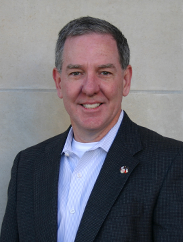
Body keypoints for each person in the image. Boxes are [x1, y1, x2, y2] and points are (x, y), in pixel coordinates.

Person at [0, 16, 183, 242]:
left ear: (125, 80)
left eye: (104, 72)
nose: (90, 88)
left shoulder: (171, 162)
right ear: (59, 82)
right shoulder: (27, 165)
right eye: (76, 72)